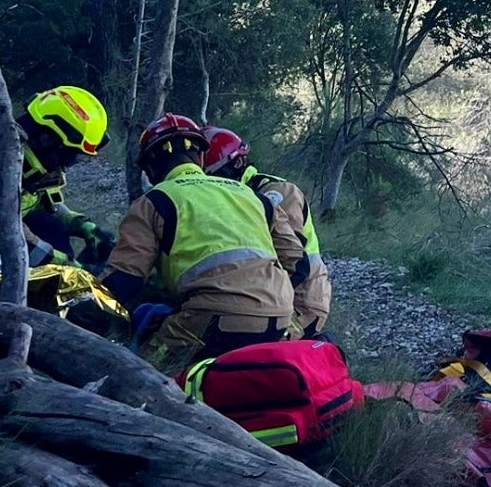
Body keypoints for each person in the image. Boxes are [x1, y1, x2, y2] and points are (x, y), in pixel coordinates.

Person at [99, 113, 303, 359]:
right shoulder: (253, 196)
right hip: (280, 320)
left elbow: (125, 280)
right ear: (201, 156)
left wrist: (88, 305)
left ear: (150, 168)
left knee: (142, 367)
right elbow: (297, 262)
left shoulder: (154, 201)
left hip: (211, 319)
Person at [0, 85, 114, 269]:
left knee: (48, 224)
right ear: (46, 138)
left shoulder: (33, 165)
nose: (70, 162)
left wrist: (84, 226)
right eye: (72, 154)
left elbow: (49, 208)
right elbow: (11, 239)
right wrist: (72, 268)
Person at [204, 126, 332, 336]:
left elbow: (291, 260)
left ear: (237, 163)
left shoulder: (278, 192)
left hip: (301, 299)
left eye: (213, 176)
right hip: (267, 295)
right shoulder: (235, 198)